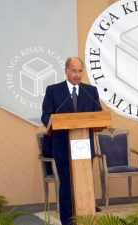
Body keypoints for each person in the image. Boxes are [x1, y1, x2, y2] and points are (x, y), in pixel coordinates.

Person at [41, 57, 102, 225]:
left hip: (84, 147)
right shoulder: (54, 90)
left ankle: (87, 218)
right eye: (74, 71)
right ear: (66, 71)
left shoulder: (91, 91)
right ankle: (67, 221)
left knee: (85, 184)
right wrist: (55, 124)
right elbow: (46, 115)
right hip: (62, 146)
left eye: (80, 71)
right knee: (67, 185)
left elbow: (98, 115)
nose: (77, 74)